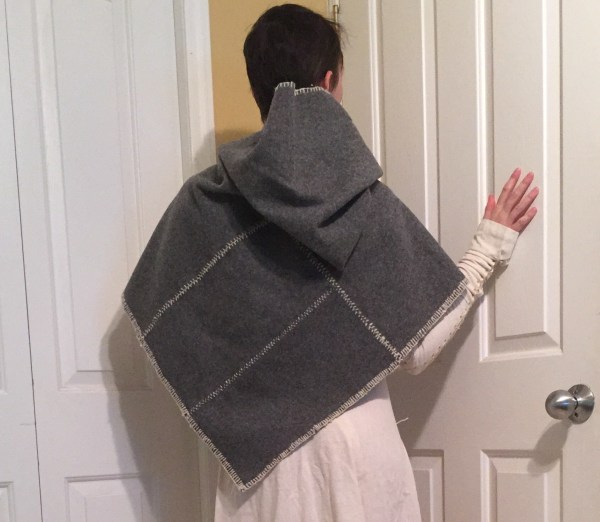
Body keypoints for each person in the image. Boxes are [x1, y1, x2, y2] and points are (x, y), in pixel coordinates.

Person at [123, 4, 538, 522]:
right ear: (328, 81)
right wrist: (488, 247)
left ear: (258, 90)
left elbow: (167, 320)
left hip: (261, 475)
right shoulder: (356, 195)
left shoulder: (202, 202)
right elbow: (417, 350)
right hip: (355, 457)